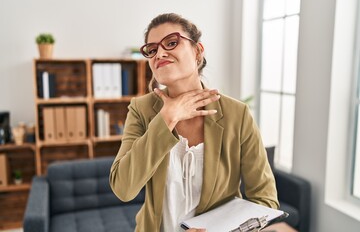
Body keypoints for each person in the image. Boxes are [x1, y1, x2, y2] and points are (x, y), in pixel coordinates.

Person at [109, 13, 279, 232]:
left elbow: (265, 200)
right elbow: (124, 188)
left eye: (171, 43)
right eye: (151, 50)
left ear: (197, 51)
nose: (160, 53)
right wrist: (166, 119)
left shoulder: (238, 114)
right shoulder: (141, 110)